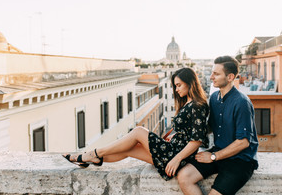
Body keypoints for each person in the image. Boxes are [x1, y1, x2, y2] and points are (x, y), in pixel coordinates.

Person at [63, 67, 209, 181]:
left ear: (190, 83)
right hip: (172, 152)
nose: (176, 90)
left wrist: (177, 159)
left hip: (175, 156)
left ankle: (92, 153)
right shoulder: (188, 104)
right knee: (129, 149)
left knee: (138, 131)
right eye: (175, 86)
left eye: (179, 85)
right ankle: (93, 158)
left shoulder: (197, 105)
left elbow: (196, 140)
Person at [177, 56, 259, 195]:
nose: (211, 77)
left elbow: (243, 142)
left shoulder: (241, 102)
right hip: (218, 152)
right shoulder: (214, 98)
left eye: (216, 74)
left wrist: (214, 156)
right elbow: (209, 127)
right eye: (212, 73)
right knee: (184, 176)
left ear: (230, 77)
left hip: (240, 161)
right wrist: (181, 133)